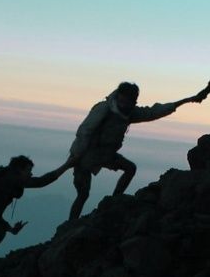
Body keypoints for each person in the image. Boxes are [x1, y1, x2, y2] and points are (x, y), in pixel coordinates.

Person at [56, 82, 199, 220]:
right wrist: (76, 156)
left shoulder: (129, 113)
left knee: (130, 169)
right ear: (118, 96)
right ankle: (71, 224)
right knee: (83, 194)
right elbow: (84, 132)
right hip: (84, 156)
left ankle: (114, 200)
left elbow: (152, 112)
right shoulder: (104, 109)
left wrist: (183, 101)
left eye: (128, 101)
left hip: (105, 155)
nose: (125, 104)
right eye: (123, 100)